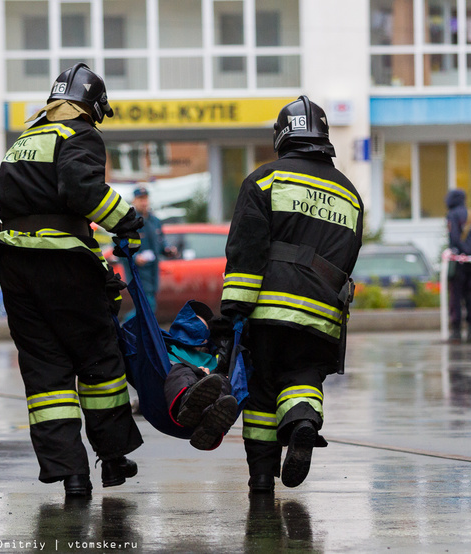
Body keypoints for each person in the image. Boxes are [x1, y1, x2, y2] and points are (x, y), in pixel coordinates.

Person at [0, 63, 144, 497]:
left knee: (45, 370)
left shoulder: (26, 138)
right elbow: (82, 191)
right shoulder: (80, 134)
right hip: (63, 265)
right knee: (99, 363)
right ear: (92, 105)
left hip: (14, 264)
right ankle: (112, 458)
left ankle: (71, 473)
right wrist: (126, 219)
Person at [220, 95, 364, 495]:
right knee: (302, 376)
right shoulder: (350, 194)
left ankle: (262, 479)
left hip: (268, 312)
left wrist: (233, 311)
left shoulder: (265, 180)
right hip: (322, 317)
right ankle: (303, 422)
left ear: (282, 136)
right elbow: (347, 259)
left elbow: (246, 250)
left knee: (264, 391)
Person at [162, 300, 238, 451]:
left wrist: (209, 374)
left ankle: (208, 425)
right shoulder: (167, 348)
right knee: (183, 372)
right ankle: (188, 405)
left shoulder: (212, 358)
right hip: (181, 389)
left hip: (208, 387)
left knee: (221, 381)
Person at [445, 189, 471, 344]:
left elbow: (454, 237)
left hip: (459, 262)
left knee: (455, 294)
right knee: (470, 294)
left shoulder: (453, 215)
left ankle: (456, 330)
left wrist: (463, 252)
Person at [121, 186, 165, 320]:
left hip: (153, 272)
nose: (143, 202)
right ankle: (125, 327)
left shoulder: (155, 220)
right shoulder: (129, 221)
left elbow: (161, 242)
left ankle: (137, 337)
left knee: (148, 308)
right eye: (140, 199)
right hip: (138, 272)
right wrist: (135, 257)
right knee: (148, 307)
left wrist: (168, 250)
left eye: (145, 199)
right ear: (134, 200)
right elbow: (120, 245)